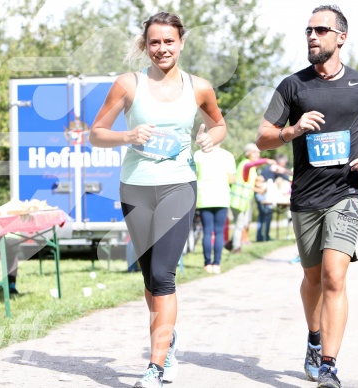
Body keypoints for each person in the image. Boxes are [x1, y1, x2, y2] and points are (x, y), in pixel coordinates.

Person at [256, 5, 358, 388]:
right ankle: (314, 339)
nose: (312, 36)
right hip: (306, 195)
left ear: (341, 37)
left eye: (321, 29)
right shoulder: (293, 85)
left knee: (335, 276)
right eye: (308, 30)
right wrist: (292, 130)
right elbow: (262, 137)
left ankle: (329, 366)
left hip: (347, 192)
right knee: (312, 278)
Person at [89, 11, 226, 388]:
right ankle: (168, 340)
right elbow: (96, 133)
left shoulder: (199, 87)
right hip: (135, 187)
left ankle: (156, 365)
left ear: (180, 43)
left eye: (169, 41)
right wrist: (127, 136)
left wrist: (213, 137)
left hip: (178, 185)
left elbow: (219, 123)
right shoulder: (127, 85)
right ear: (145, 45)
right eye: (154, 42)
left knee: (165, 274)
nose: (161, 48)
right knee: (150, 277)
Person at [194, 142, 235, 274]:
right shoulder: (227, 155)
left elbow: (195, 176)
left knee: (207, 231)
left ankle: (207, 264)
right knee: (218, 232)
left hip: (204, 197)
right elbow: (232, 179)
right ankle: (217, 264)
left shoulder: (198, 155)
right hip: (222, 197)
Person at [229, 143, 274, 253]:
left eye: (259, 152)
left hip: (244, 201)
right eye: (255, 152)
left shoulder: (251, 166)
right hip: (238, 201)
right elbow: (248, 168)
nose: (258, 154)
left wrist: (259, 187)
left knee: (243, 224)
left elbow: (249, 184)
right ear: (248, 153)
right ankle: (236, 248)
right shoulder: (246, 164)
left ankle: (230, 244)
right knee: (240, 225)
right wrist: (266, 160)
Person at [256, 154, 293, 242]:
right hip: (264, 195)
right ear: (281, 163)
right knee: (267, 215)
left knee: (261, 216)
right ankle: (265, 237)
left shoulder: (269, 167)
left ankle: (260, 237)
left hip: (260, 194)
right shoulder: (275, 168)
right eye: (284, 164)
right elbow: (286, 177)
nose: (284, 166)